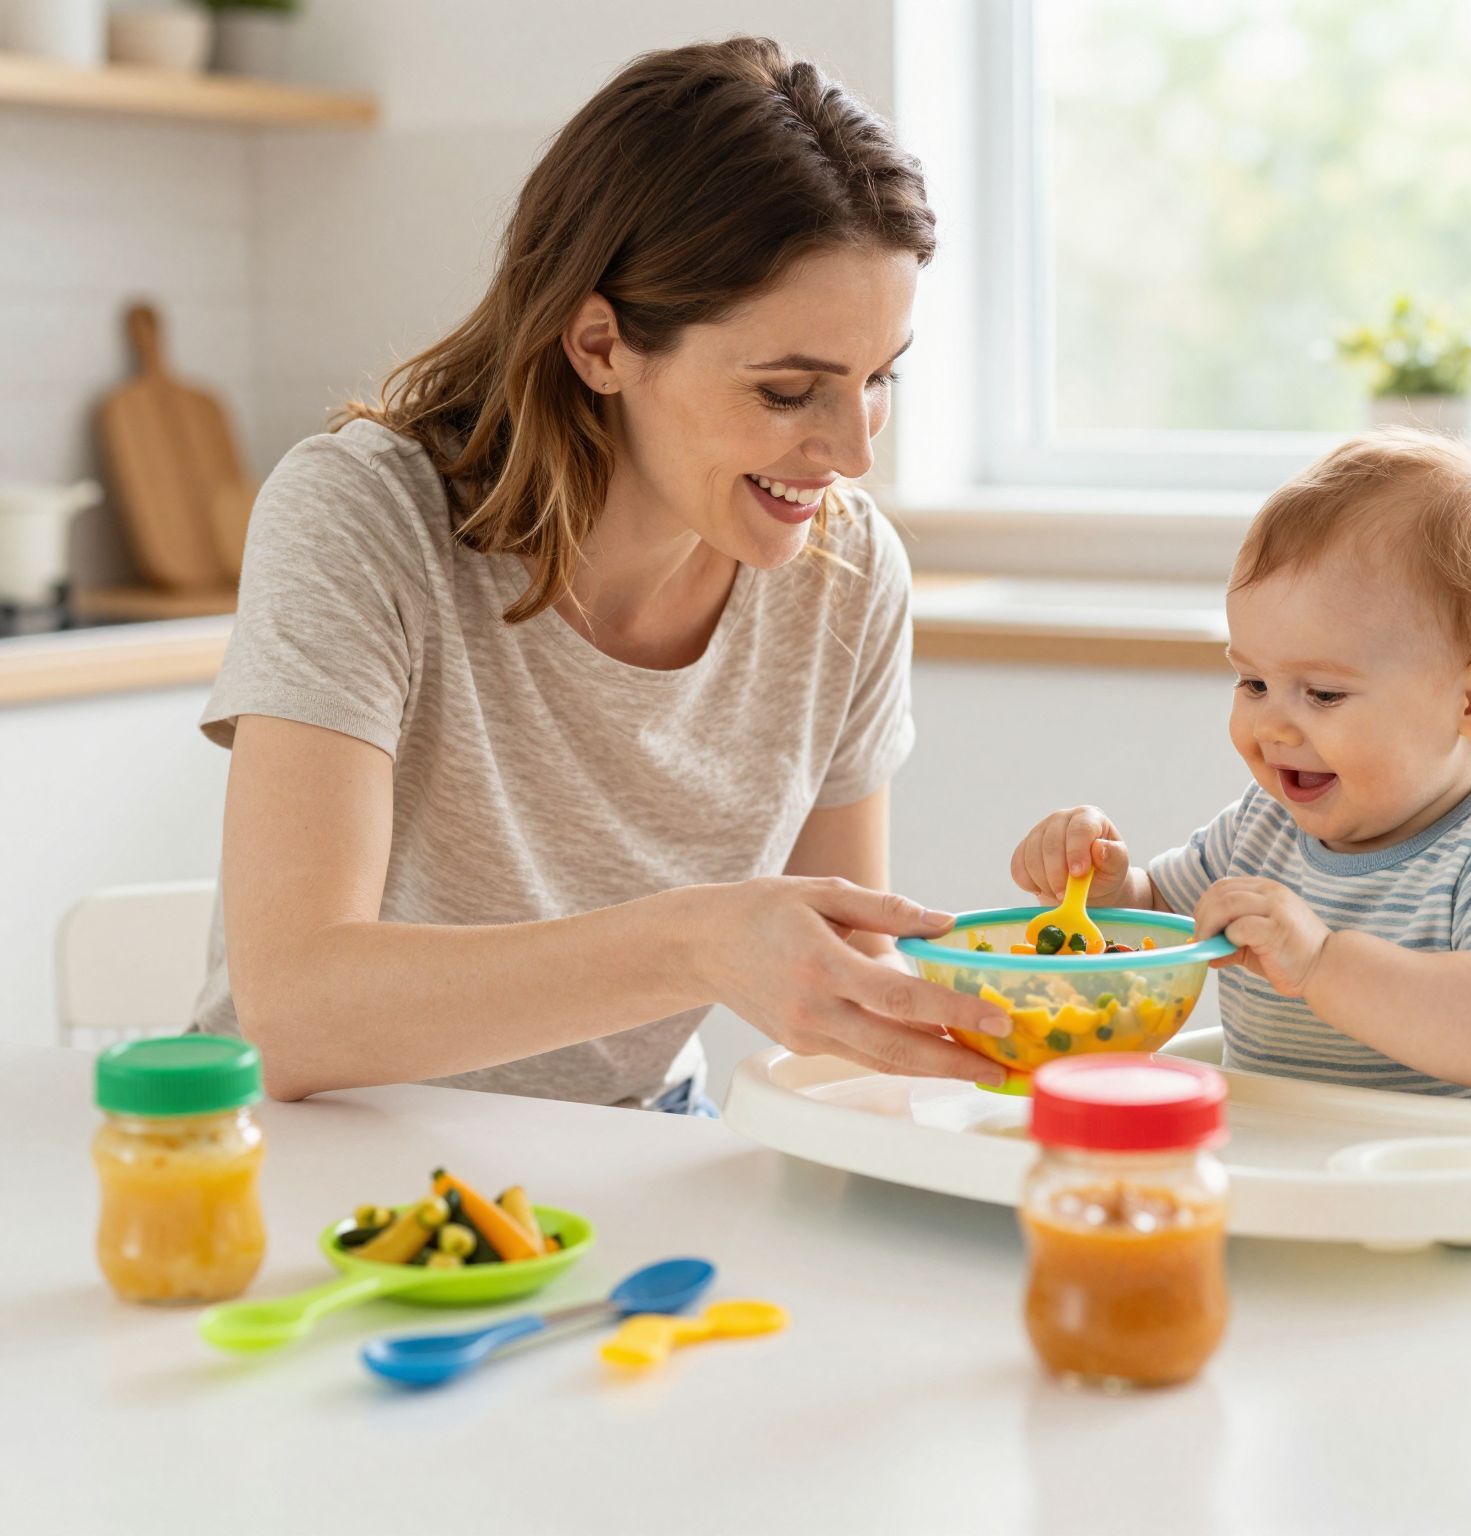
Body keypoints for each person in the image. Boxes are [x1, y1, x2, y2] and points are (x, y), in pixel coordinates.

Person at [194, 38, 1013, 1108]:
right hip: (327, 1144)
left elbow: (847, 996)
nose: (854, 453)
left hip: (633, 1140)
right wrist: (695, 946)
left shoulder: (846, 574)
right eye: (786, 391)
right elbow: (295, 1013)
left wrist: (1017, 1052)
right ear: (600, 344)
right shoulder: (363, 517)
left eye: (878, 378)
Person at [1008, 430, 1471, 1106]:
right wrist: (1105, 891)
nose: (1271, 726)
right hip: (1293, 1164)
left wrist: (1323, 963)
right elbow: (1160, 924)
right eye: (1253, 683)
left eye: (1323, 694)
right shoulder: (1259, 831)